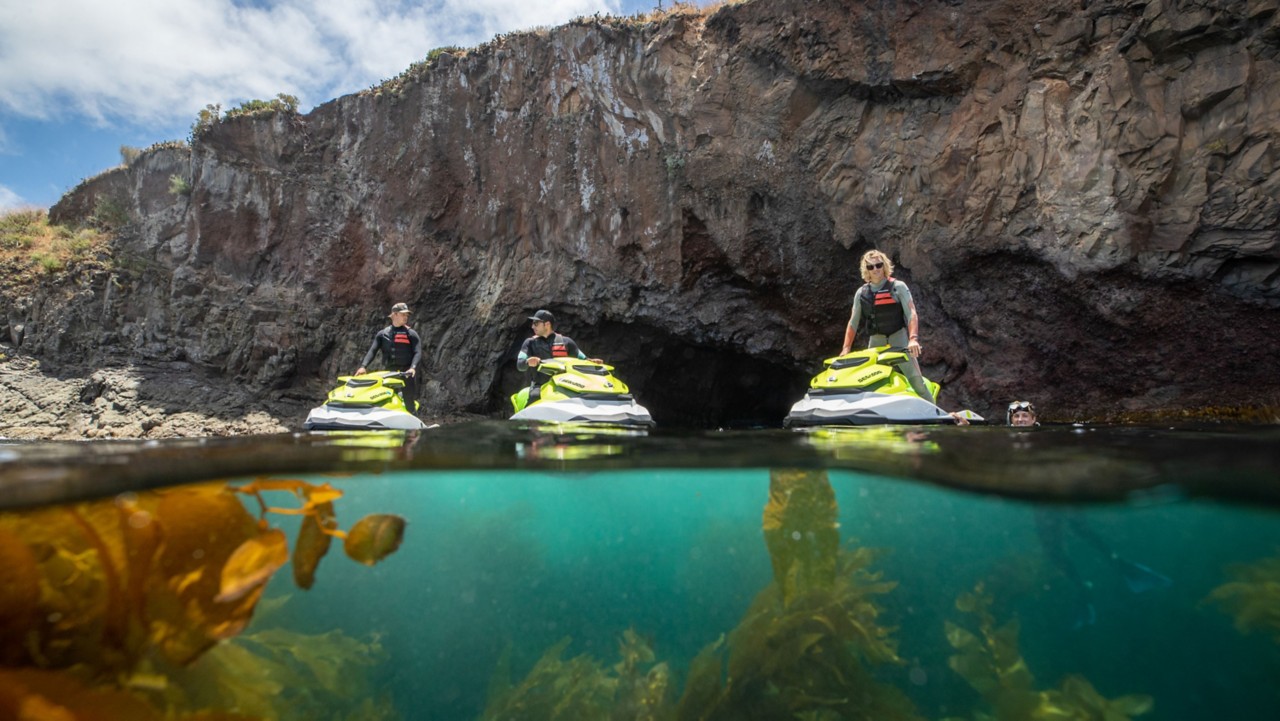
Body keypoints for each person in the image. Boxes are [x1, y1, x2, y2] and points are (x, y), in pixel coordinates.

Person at [1015, 400, 1172, 627]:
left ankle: (1124, 567)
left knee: (1082, 531)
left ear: (1033, 419)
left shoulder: (1044, 437)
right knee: (1053, 550)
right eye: (1016, 417)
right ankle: (1083, 590)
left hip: (1062, 494)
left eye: (1024, 416)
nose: (1020, 420)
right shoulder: (1010, 441)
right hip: (1042, 503)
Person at [840, 250, 933, 402]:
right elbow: (853, 322)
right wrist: (846, 348)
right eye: (871, 267)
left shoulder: (898, 287)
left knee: (917, 382)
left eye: (878, 265)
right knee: (867, 382)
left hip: (899, 340)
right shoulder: (861, 293)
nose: (875, 269)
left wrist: (913, 339)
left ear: (884, 266)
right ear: (866, 270)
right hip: (876, 344)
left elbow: (911, 313)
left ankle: (937, 416)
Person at [517, 310, 601, 402]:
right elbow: (520, 366)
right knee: (534, 397)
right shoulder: (529, 343)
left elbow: (584, 360)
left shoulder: (567, 342)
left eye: (536, 323)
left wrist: (592, 362)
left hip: (565, 385)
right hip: (540, 386)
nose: (532, 326)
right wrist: (527, 362)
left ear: (547, 324)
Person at [356, 302, 422, 414]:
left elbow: (418, 352)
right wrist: (363, 367)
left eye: (407, 315)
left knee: (409, 403)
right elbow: (372, 351)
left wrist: (413, 367)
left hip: (407, 373)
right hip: (389, 374)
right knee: (386, 400)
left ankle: (415, 428)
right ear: (395, 315)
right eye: (403, 314)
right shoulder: (382, 334)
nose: (406, 317)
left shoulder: (411, 333)